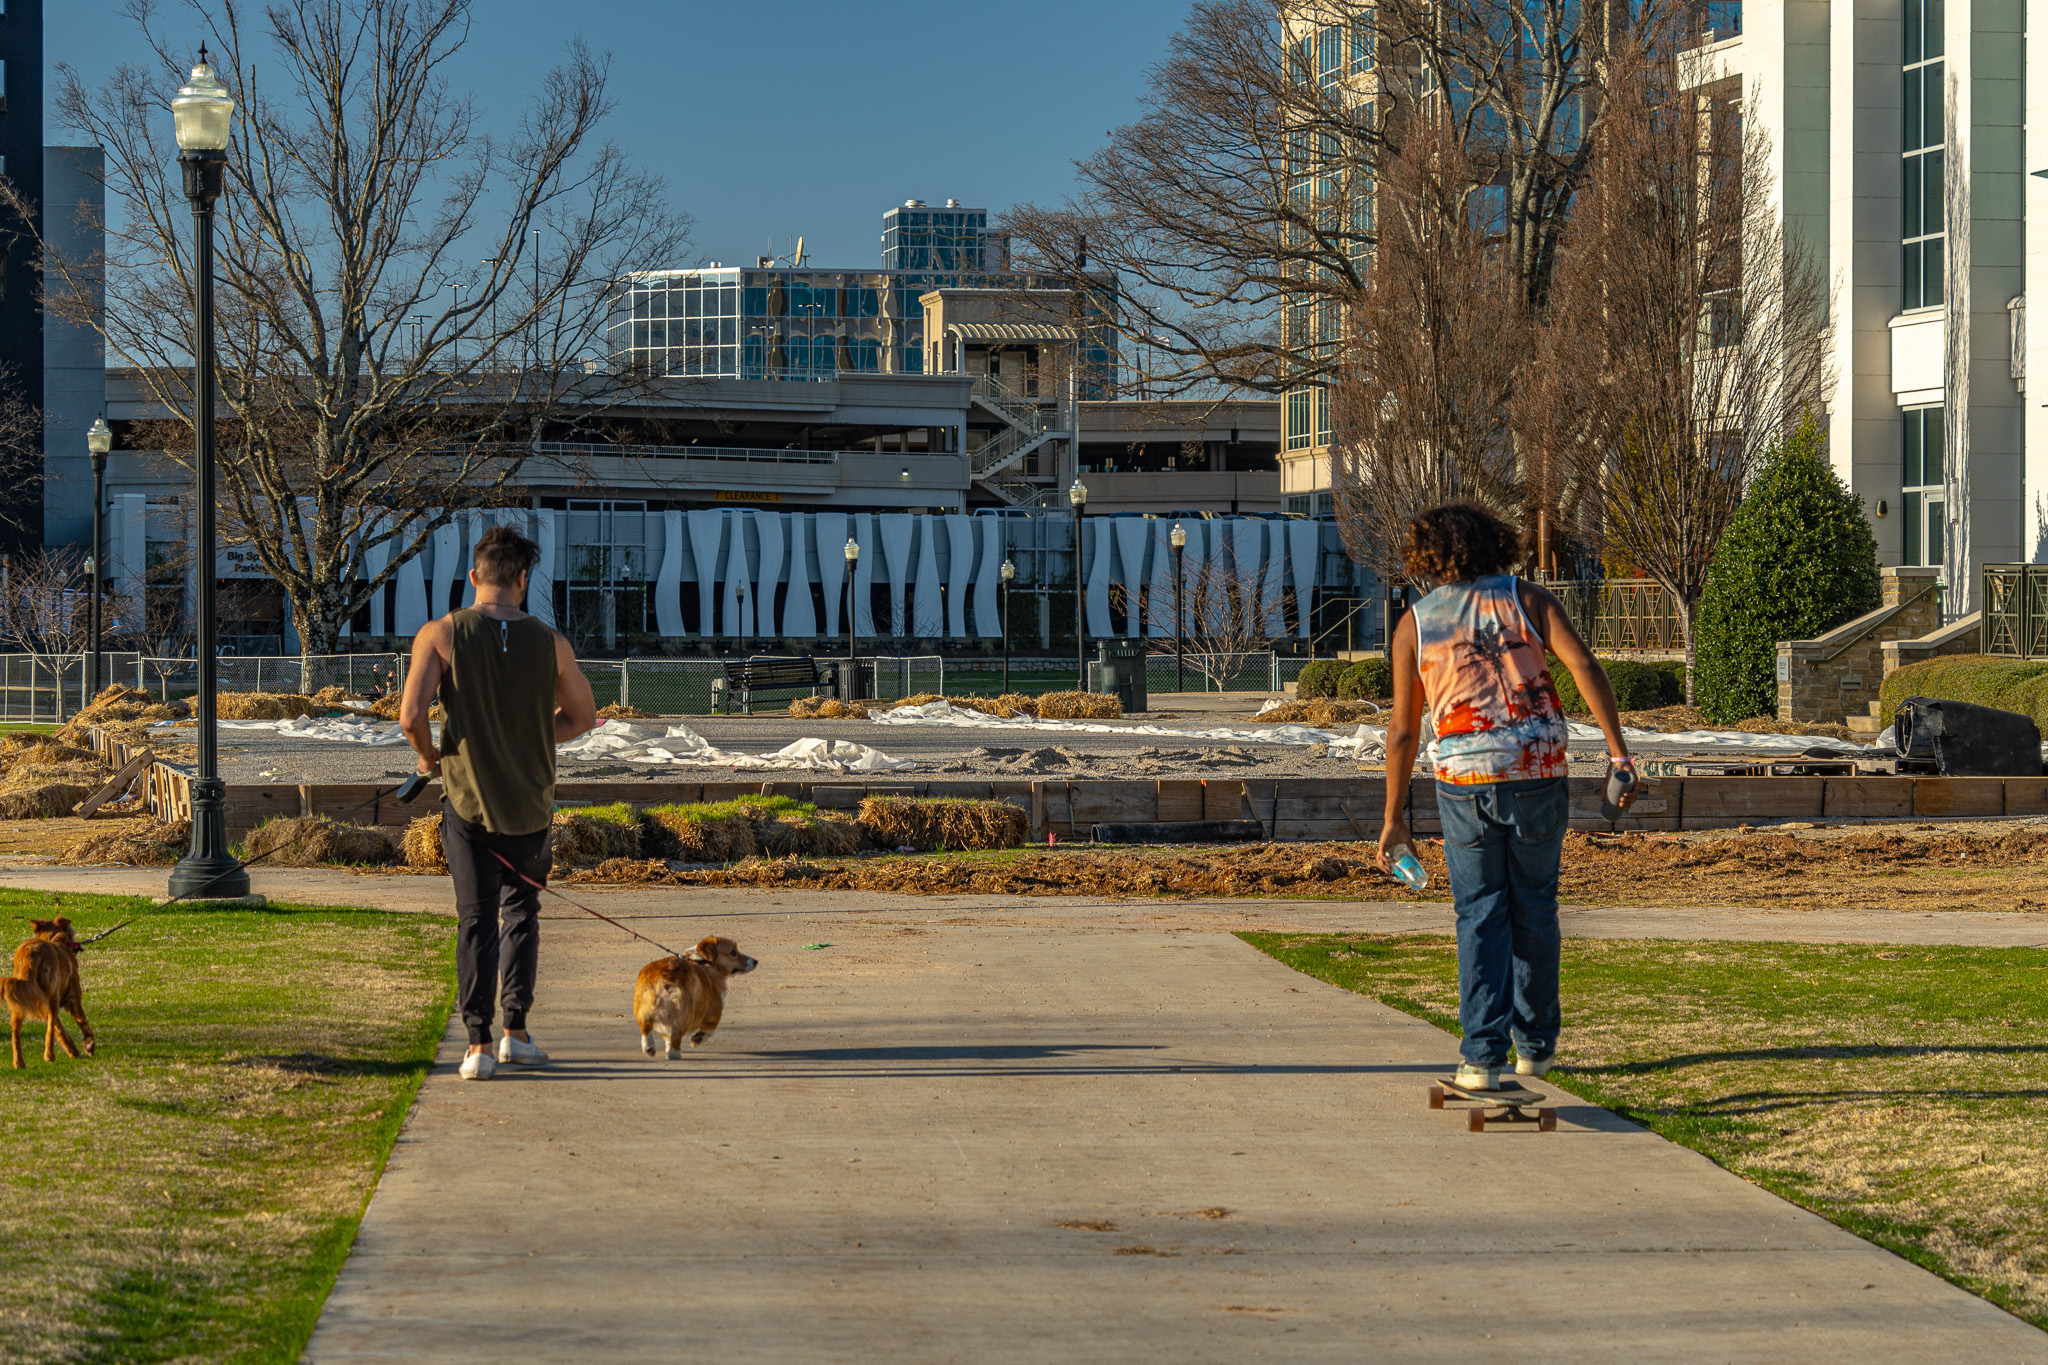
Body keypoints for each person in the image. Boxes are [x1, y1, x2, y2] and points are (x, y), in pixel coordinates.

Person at [1377, 503, 1635, 1091]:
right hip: (1538, 769)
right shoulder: (1530, 599)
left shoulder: (1415, 624)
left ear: (1428, 555)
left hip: (1464, 781)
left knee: (1481, 912)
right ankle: (1536, 1048)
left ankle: (1481, 1057)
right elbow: (1584, 666)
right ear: (1495, 542)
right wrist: (1619, 754)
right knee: (1535, 907)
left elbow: (1402, 731)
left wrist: (1394, 819)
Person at [400, 525, 598, 1081]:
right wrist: (531, 734)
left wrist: (429, 761)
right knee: (521, 916)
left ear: (473, 578)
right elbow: (583, 717)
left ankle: (477, 1045)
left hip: (466, 801)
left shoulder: (440, 634)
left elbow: (412, 718)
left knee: (475, 918)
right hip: (531, 802)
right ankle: (516, 1032)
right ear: (522, 579)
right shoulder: (553, 643)